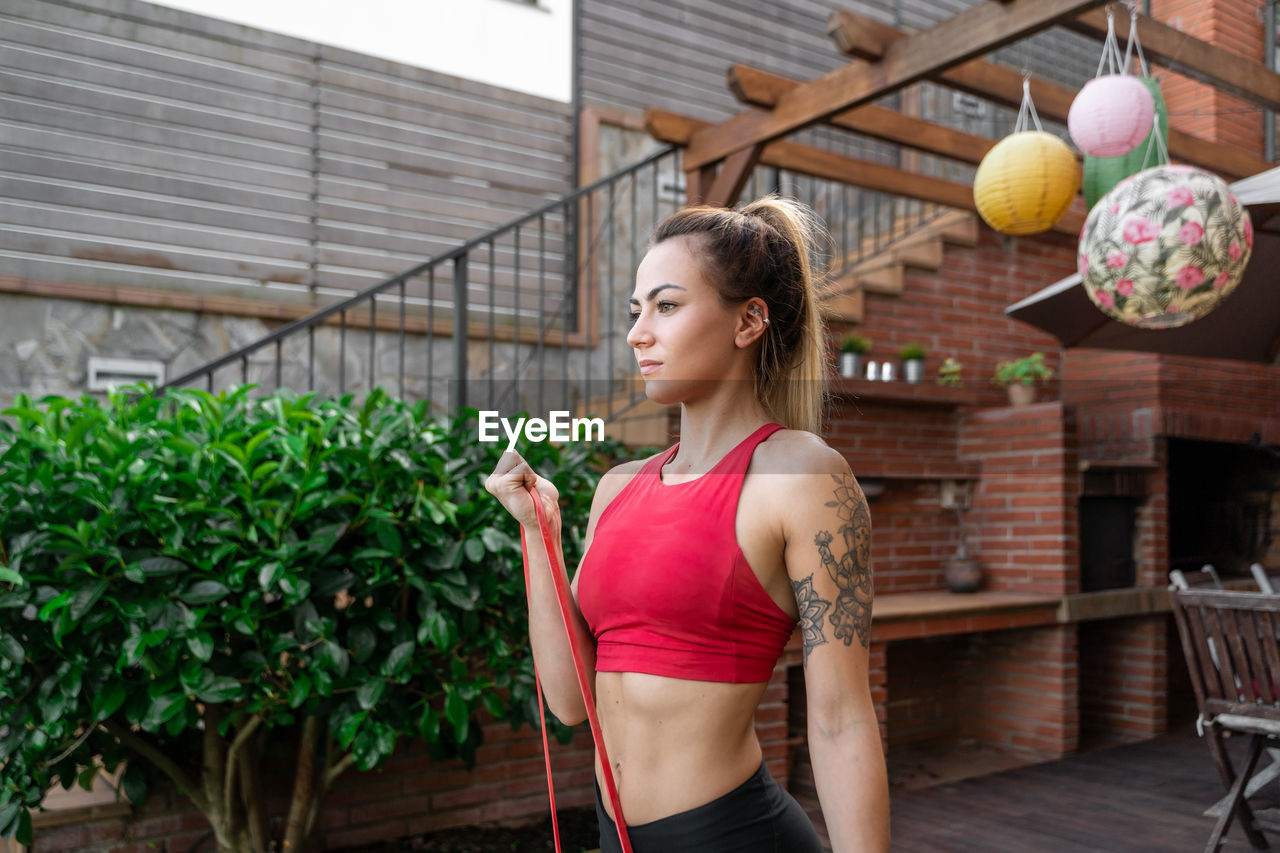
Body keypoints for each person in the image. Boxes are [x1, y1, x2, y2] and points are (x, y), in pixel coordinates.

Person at [485, 196, 890, 852]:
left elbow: (841, 719)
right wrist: (539, 533)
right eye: (635, 310)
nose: (637, 332)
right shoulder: (617, 488)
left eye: (666, 306)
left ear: (748, 320)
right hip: (614, 833)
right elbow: (568, 701)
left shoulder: (802, 474)